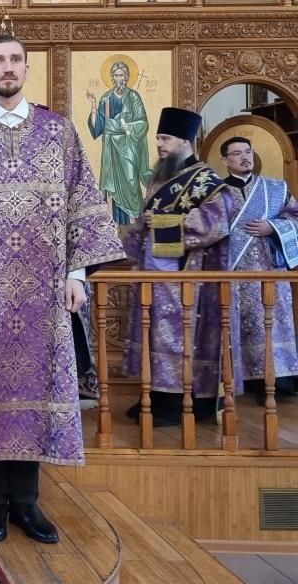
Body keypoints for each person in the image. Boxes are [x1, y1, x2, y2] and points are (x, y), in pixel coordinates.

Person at [0, 34, 124, 545]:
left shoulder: (59, 132)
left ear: (27, 69)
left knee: (35, 389)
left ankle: (28, 503)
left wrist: (78, 274)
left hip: (44, 295)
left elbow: (84, 202)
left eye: (14, 60)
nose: (7, 68)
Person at [123, 107, 236, 426]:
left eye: (165, 138)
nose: (159, 144)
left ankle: (175, 403)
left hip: (187, 277)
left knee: (175, 338)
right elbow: (145, 221)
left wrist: (161, 221)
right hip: (153, 274)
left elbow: (216, 223)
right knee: (153, 335)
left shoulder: (206, 180)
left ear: (185, 141)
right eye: (158, 138)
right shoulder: (161, 177)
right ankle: (154, 396)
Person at [220, 136, 298, 402]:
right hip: (233, 272)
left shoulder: (275, 188)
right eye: (237, 153)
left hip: (269, 271)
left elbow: (295, 217)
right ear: (225, 160)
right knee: (240, 325)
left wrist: (273, 227)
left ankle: (280, 381)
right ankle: (242, 381)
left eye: (248, 151)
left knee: (272, 324)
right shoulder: (216, 193)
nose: (245, 157)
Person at [86, 60, 152, 224]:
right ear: (112, 77)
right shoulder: (106, 98)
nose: (119, 79)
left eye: (122, 75)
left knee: (130, 180)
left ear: (127, 77)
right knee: (111, 184)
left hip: (128, 146)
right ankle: (111, 223)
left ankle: (133, 222)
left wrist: (128, 126)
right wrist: (93, 105)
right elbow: (99, 126)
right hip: (110, 148)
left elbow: (143, 123)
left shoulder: (134, 97)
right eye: (116, 75)